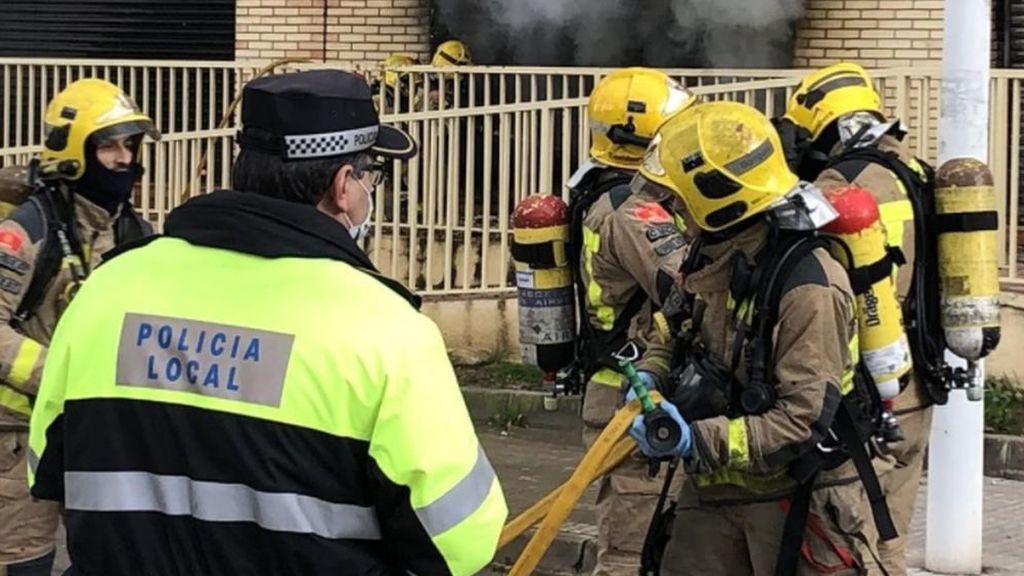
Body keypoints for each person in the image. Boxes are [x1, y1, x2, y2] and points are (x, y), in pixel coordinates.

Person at [27, 69, 507, 576]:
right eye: (372, 175)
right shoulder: (385, 328)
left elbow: (49, 468)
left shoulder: (108, 289)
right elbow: (462, 538)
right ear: (345, 185)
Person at [632, 100, 885, 575]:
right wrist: (649, 375)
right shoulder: (709, 254)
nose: (671, 208)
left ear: (718, 199)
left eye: (679, 197)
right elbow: (673, 328)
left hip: (797, 497)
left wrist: (694, 440)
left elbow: (801, 420)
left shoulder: (809, 287)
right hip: (712, 491)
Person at [780, 62, 934, 575]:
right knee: (893, 531)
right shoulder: (919, 173)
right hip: (917, 383)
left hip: (865, 392)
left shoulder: (839, 185)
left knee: (850, 544)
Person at [0, 78, 158, 576]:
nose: (123, 158)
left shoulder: (136, 233)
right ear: (73, 152)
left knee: (111, 555)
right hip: (18, 436)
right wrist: (61, 376)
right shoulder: (28, 230)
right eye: (108, 145)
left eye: (129, 145)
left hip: (96, 429)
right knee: (26, 561)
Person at [567, 67, 695, 576]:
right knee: (630, 552)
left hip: (630, 388)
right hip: (635, 394)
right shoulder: (632, 211)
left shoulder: (609, 192)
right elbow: (687, 289)